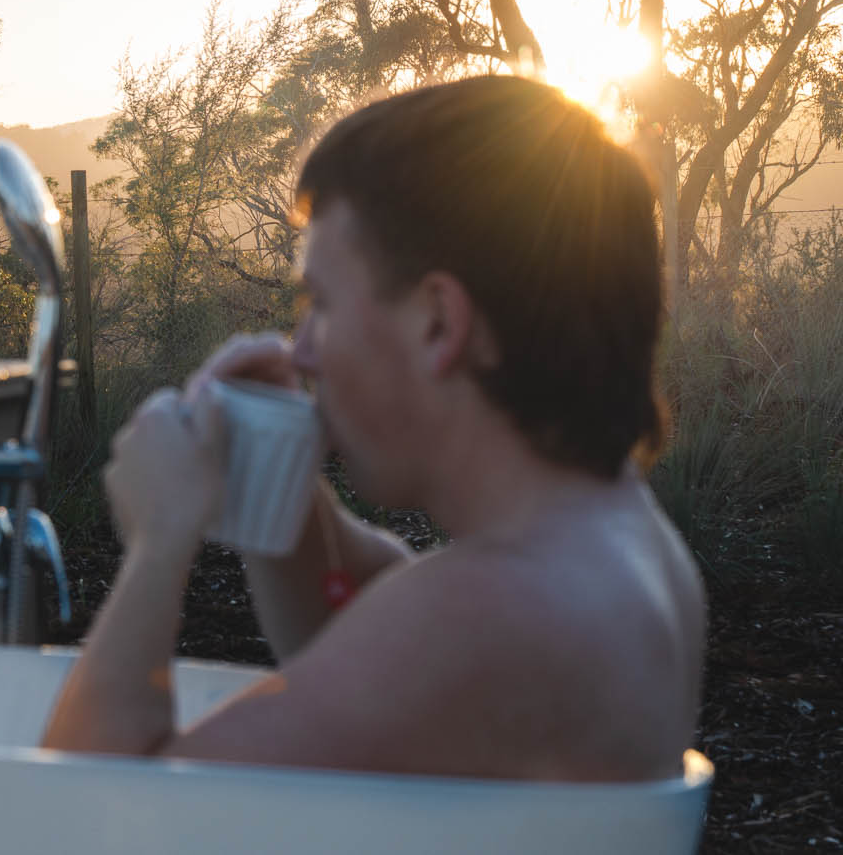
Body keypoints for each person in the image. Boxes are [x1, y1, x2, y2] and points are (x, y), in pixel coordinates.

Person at [40, 74, 705, 781]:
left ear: (438, 323)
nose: (301, 350)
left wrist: (159, 541)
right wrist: (274, 465)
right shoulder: (620, 549)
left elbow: (84, 808)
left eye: (320, 302)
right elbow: (359, 633)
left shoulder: (491, 617)